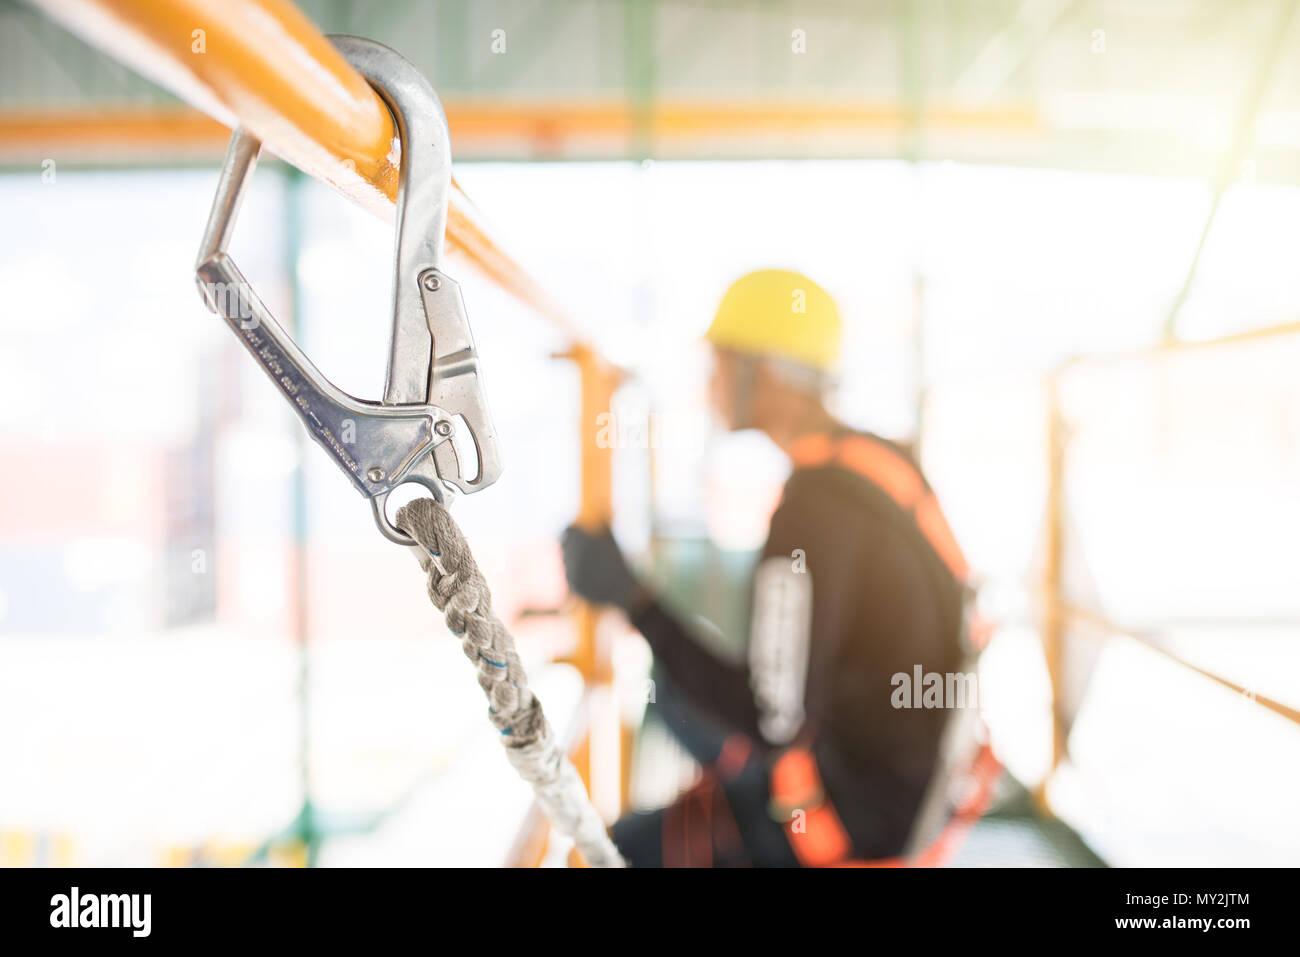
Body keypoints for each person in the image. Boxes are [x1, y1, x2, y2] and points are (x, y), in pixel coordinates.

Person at [562, 269, 970, 867]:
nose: (711, 383)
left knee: (611, 854)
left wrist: (631, 598)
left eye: (722, 362)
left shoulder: (815, 514)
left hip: (849, 824)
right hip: (915, 793)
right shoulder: (877, 465)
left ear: (768, 373)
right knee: (672, 697)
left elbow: (768, 719)